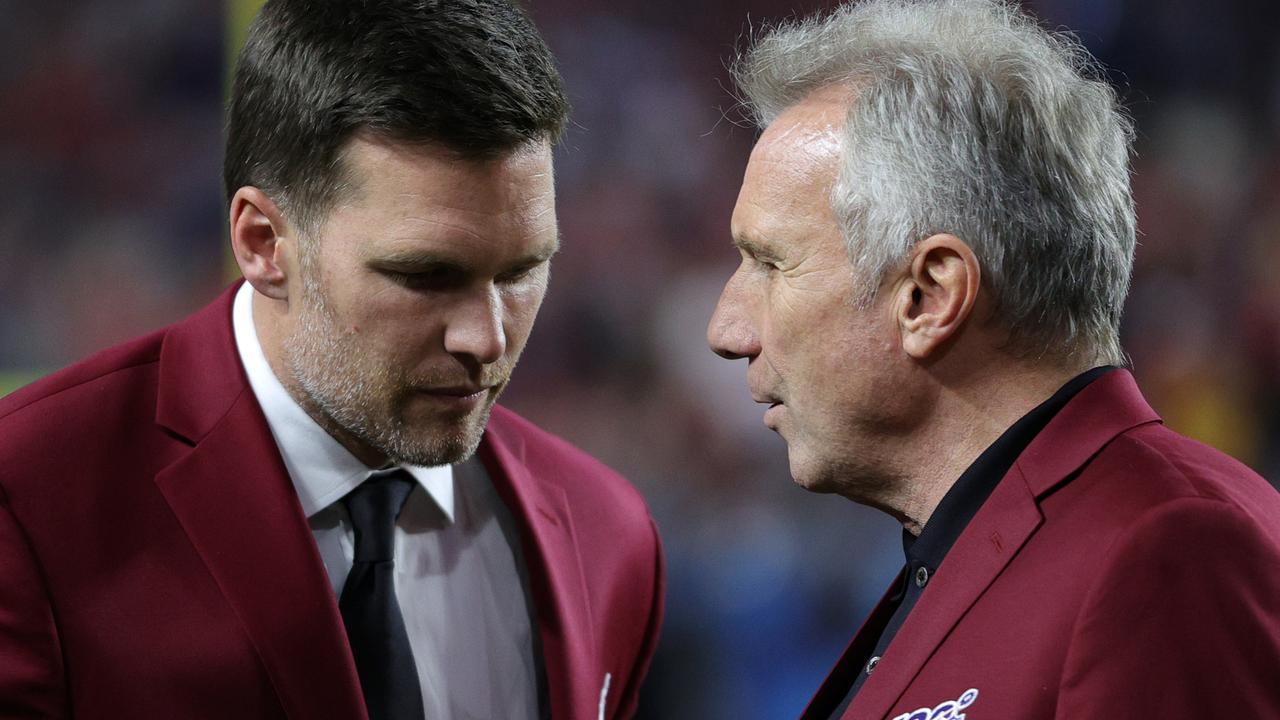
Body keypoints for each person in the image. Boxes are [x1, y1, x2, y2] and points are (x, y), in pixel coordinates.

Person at [0, 1, 663, 718]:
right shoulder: (29, 502)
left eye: (521, 271)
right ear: (261, 242)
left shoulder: (608, 535)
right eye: (424, 276)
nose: (487, 338)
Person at [707, 0, 1280, 717]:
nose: (727, 330)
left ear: (930, 295)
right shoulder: (978, 547)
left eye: (769, 263)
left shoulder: (1174, 553)